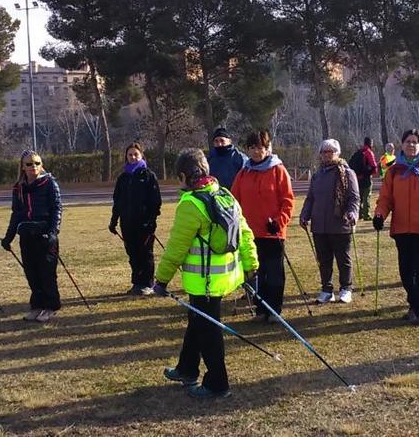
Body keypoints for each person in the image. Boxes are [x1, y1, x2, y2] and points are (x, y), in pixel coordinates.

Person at [156, 149, 258, 399]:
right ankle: (187, 369)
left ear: (184, 176)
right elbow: (245, 234)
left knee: (209, 331)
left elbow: (176, 248)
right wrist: (251, 265)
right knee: (197, 321)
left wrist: (161, 280)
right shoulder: (225, 195)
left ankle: (217, 384)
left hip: (204, 282)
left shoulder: (191, 204)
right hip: (224, 278)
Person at [373, 129, 419, 326]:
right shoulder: (394, 169)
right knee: (406, 270)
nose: (411, 145)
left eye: (415, 142)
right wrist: (380, 214)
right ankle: (413, 304)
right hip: (401, 228)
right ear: (402, 145)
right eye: (408, 141)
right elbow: (386, 197)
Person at [231, 130, 294, 322]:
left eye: (260, 147)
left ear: (267, 148)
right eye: (252, 148)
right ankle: (260, 309)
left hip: (272, 232)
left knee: (273, 273)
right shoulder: (244, 173)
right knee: (256, 274)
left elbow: (288, 201)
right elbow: (234, 200)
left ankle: (274, 309)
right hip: (250, 233)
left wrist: (279, 221)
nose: (256, 151)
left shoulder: (278, 170)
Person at [0, 150, 63, 323]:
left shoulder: (49, 183)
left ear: (41, 165)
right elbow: (16, 214)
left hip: (44, 234)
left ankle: (51, 306)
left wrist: (53, 232)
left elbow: (57, 209)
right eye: (29, 164)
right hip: (26, 235)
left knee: (47, 273)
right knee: (32, 273)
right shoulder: (18, 188)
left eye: (36, 163)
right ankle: (37, 306)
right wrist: (8, 238)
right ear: (22, 167)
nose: (33, 167)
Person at [299, 139, 360, 303]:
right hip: (319, 226)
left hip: (340, 224)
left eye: (330, 151)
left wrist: (353, 213)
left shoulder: (347, 173)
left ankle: (346, 288)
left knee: (343, 259)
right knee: (324, 260)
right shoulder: (317, 175)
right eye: (324, 152)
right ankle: (327, 289)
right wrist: (305, 215)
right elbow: (310, 198)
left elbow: (354, 198)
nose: (327, 154)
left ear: (337, 153)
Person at [109, 142, 162, 296]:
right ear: (126, 157)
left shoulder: (148, 176)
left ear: (141, 156)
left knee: (145, 253)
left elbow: (155, 201)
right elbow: (117, 201)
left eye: (136, 154)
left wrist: (150, 221)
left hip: (144, 224)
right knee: (132, 253)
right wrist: (114, 221)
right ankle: (137, 283)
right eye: (130, 154)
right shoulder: (123, 178)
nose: (133, 157)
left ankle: (147, 283)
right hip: (127, 223)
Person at [350, 137, 378, 220]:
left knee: (358, 198)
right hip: (366, 178)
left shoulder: (358, 152)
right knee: (367, 197)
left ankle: (359, 214)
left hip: (357, 179)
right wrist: (372, 173)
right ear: (370, 144)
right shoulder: (368, 152)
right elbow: (374, 166)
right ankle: (366, 215)